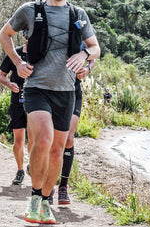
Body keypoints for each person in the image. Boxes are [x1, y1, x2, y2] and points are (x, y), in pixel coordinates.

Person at [0, 0, 100, 224]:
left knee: (57, 150)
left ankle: (45, 200)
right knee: (42, 139)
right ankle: (33, 198)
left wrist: (85, 57)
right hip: (36, 88)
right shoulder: (31, 10)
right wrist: (18, 63)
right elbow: (4, 34)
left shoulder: (78, 14)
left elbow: (95, 48)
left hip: (66, 91)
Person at [56, 52, 95, 205]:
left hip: (73, 91)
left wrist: (88, 69)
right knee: (52, 140)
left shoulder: (80, 30)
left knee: (69, 139)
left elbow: (93, 55)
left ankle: (63, 187)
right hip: (51, 91)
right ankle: (47, 182)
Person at [0, 30, 33, 185]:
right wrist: (9, 84)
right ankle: (20, 170)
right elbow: (1, 76)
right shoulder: (15, 54)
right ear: (23, 35)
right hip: (17, 102)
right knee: (18, 141)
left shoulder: (41, 54)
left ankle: (32, 167)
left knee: (33, 139)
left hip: (35, 103)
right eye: (26, 33)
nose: (29, 36)